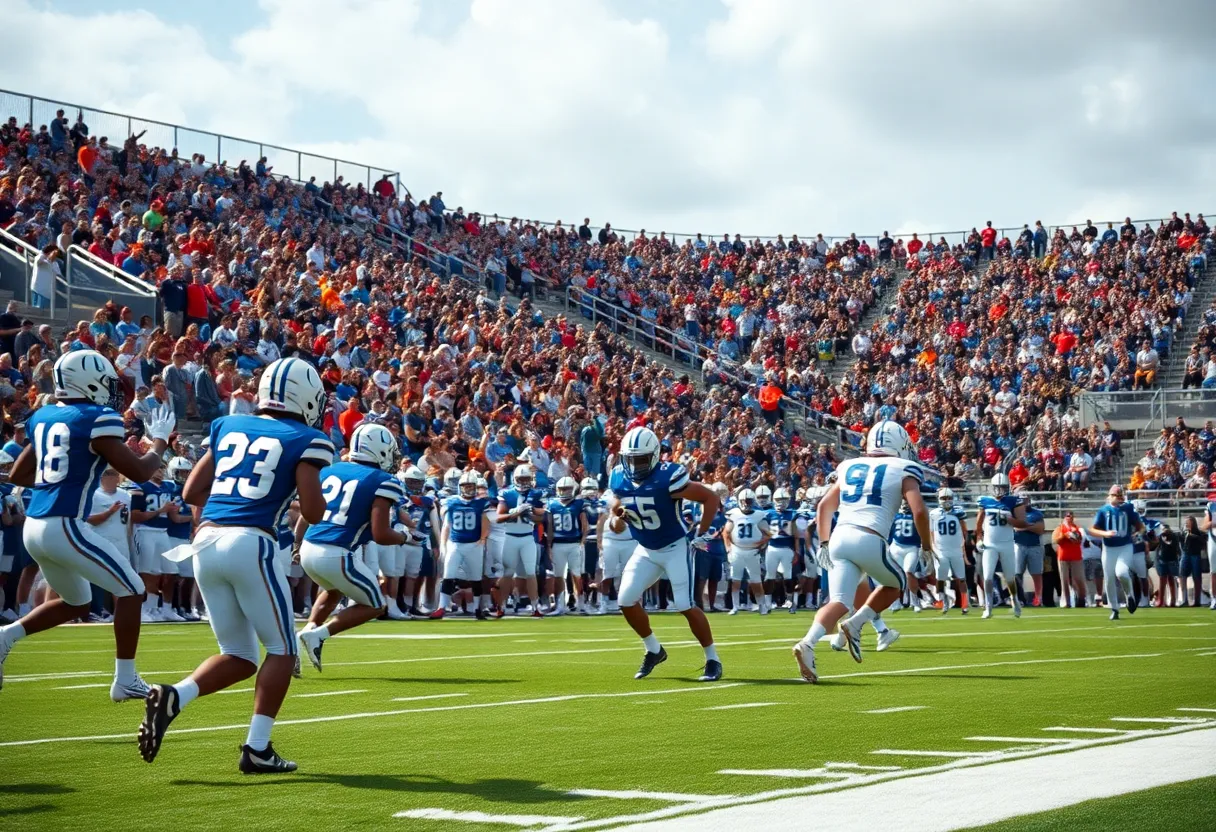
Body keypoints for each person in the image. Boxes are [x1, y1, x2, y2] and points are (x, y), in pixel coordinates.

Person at [137, 357, 333, 774]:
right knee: (281, 649)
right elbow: (314, 512)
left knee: (241, 655)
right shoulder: (308, 437)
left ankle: (176, 696)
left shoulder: (229, 425)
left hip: (205, 541)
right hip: (251, 543)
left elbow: (192, 489)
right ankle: (258, 748)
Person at [0, 350, 174, 695]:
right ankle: (125, 679)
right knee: (133, 589)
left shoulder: (44, 416)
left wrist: (59, 477)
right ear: (88, 379)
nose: (110, 388)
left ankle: (6, 636)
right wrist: (160, 442)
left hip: (35, 525)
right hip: (64, 523)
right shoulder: (96, 417)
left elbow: (19, 473)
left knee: (76, 601)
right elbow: (139, 471)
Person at [792, 421, 931, 683]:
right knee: (897, 583)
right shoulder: (902, 467)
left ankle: (807, 643)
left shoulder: (848, 465)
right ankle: (856, 624)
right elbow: (920, 511)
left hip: (839, 537)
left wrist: (823, 543)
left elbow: (824, 507)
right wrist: (926, 546)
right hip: (869, 537)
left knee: (839, 601)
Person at [607, 426, 723, 682]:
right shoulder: (618, 477)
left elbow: (710, 498)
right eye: (631, 459)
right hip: (646, 549)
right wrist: (617, 516)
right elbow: (616, 513)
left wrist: (701, 533)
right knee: (625, 600)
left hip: (674, 547)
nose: (635, 466)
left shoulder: (668, 476)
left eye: (641, 459)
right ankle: (654, 650)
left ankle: (713, 659)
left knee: (684, 604)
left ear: (655, 455)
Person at [295, 423, 409, 669]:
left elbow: (307, 513)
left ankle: (305, 634)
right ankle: (318, 635)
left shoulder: (330, 470)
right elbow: (380, 533)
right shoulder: (383, 480)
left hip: (308, 546)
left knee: (333, 591)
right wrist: (405, 537)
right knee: (376, 605)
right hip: (336, 552)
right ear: (379, 450)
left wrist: (296, 543)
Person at [434, 471, 490, 620]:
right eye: (465, 486)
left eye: (471, 486)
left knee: (476, 577)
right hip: (455, 542)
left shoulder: (481, 503)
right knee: (448, 575)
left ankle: (478, 608)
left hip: (474, 543)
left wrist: (483, 539)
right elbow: (447, 525)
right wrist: (443, 544)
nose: (468, 489)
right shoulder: (451, 501)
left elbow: (486, 522)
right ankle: (441, 607)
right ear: (460, 487)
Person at [975, 473, 1029, 619]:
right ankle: (988, 607)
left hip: (1007, 544)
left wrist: (1009, 519)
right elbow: (979, 522)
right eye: (997, 487)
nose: (999, 490)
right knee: (987, 577)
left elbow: (1023, 523)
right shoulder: (984, 501)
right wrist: (978, 538)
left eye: (1003, 487)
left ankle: (1014, 599)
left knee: (1010, 577)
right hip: (990, 544)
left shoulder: (1013, 501)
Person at [1088, 485, 1143, 621]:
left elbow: (1140, 526)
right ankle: (1114, 608)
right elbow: (1093, 530)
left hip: (1125, 546)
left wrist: (1138, 534)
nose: (1117, 498)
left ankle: (1130, 594)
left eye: (1119, 496)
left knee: (1122, 572)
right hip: (1109, 548)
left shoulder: (1128, 508)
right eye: (1114, 495)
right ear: (1109, 496)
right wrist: (1105, 533)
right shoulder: (1103, 511)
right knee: (1109, 579)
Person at [496, 464, 545, 617]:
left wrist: (531, 513)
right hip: (510, 538)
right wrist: (515, 513)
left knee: (531, 573)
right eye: (521, 479)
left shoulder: (536, 493)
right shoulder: (507, 494)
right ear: (515, 479)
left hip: (527, 537)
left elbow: (543, 516)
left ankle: (535, 606)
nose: (524, 482)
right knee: (508, 573)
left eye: (526, 479)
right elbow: (499, 517)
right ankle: (501, 606)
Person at [545, 477, 588, 615]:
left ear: (573, 489)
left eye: (567, 489)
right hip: (558, 543)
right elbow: (550, 526)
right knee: (558, 575)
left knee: (576, 574)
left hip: (574, 543)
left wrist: (582, 541)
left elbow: (584, 524)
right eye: (562, 489)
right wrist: (549, 545)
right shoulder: (552, 504)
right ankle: (560, 605)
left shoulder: (579, 503)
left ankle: (580, 604)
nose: (564, 492)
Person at [724, 489, 771, 615]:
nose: (746, 503)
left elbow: (768, 534)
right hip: (737, 550)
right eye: (744, 501)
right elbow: (726, 532)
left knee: (756, 581)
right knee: (735, 580)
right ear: (739, 501)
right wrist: (728, 547)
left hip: (752, 552)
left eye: (749, 500)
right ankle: (735, 606)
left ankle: (762, 605)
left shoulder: (759, 515)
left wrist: (760, 543)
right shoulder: (733, 514)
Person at [930, 487, 969, 615]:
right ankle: (943, 602)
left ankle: (964, 604)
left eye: (948, 498)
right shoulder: (934, 513)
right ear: (939, 499)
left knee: (961, 578)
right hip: (941, 550)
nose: (946, 500)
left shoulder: (959, 512)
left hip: (956, 549)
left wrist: (963, 546)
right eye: (943, 498)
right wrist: (932, 547)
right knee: (940, 579)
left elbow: (964, 530)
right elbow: (931, 533)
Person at [764, 487, 798, 614]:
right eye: (779, 499)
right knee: (770, 576)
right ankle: (767, 603)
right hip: (772, 547)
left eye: (784, 499)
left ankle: (789, 602)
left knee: (788, 577)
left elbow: (795, 534)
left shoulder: (792, 514)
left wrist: (796, 551)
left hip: (786, 548)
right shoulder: (768, 514)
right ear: (773, 500)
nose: (781, 502)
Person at [890, 500, 925, 612]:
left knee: (909, 572)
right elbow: (890, 533)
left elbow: (923, 532)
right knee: (896, 575)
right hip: (896, 547)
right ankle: (896, 601)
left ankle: (915, 601)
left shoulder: (917, 515)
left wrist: (924, 546)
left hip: (912, 548)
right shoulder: (894, 516)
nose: (905, 504)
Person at [1013, 493, 1046, 606]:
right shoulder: (1015, 512)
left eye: (1026, 499)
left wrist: (1024, 526)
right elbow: (1016, 528)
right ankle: (1020, 598)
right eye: (1022, 499)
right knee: (1017, 573)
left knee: (1036, 574)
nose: (1025, 501)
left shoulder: (1036, 513)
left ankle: (1038, 599)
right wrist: (1031, 526)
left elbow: (1040, 529)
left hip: (1034, 546)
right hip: (1018, 544)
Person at [1130, 499, 1160, 609]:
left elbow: (1155, 541)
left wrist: (1150, 540)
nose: (1138, 513)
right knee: (1132, 577)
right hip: (1129, 552)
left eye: (1140, 510)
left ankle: (1145, 598)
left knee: (1143, 577)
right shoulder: (1127, 523)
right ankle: (1134, 598)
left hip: (1141, 552)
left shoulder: (1147, 524)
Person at [1052, 511, 1086, 609]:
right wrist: (1065, 535)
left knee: (1079, 578)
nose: (1069, 517)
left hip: (1076, 556)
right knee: (1064, 580)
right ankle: (1066, 601)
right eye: (1067, 515)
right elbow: (1056, 540)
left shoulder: (1077, 528)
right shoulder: (1060, 528)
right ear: (1064, 517)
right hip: (1063, 556)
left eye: (1071, 515)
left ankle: (1081, 599)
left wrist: (1073, 534)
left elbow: (1079, 540)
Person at [1180, 517, 1206, 607]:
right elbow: (1180, 541)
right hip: (1185, 554)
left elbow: (1203, 542)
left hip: (1195, 556)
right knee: (1183, 576)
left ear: (1193, 522)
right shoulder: (1184, 532)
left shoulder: (1199, 533)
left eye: (1188, 521)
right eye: (1186, 522)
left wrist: (1194, 537)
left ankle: (1197, 601)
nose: (1186, 523)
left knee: (1197, 577)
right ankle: (1184, 600)